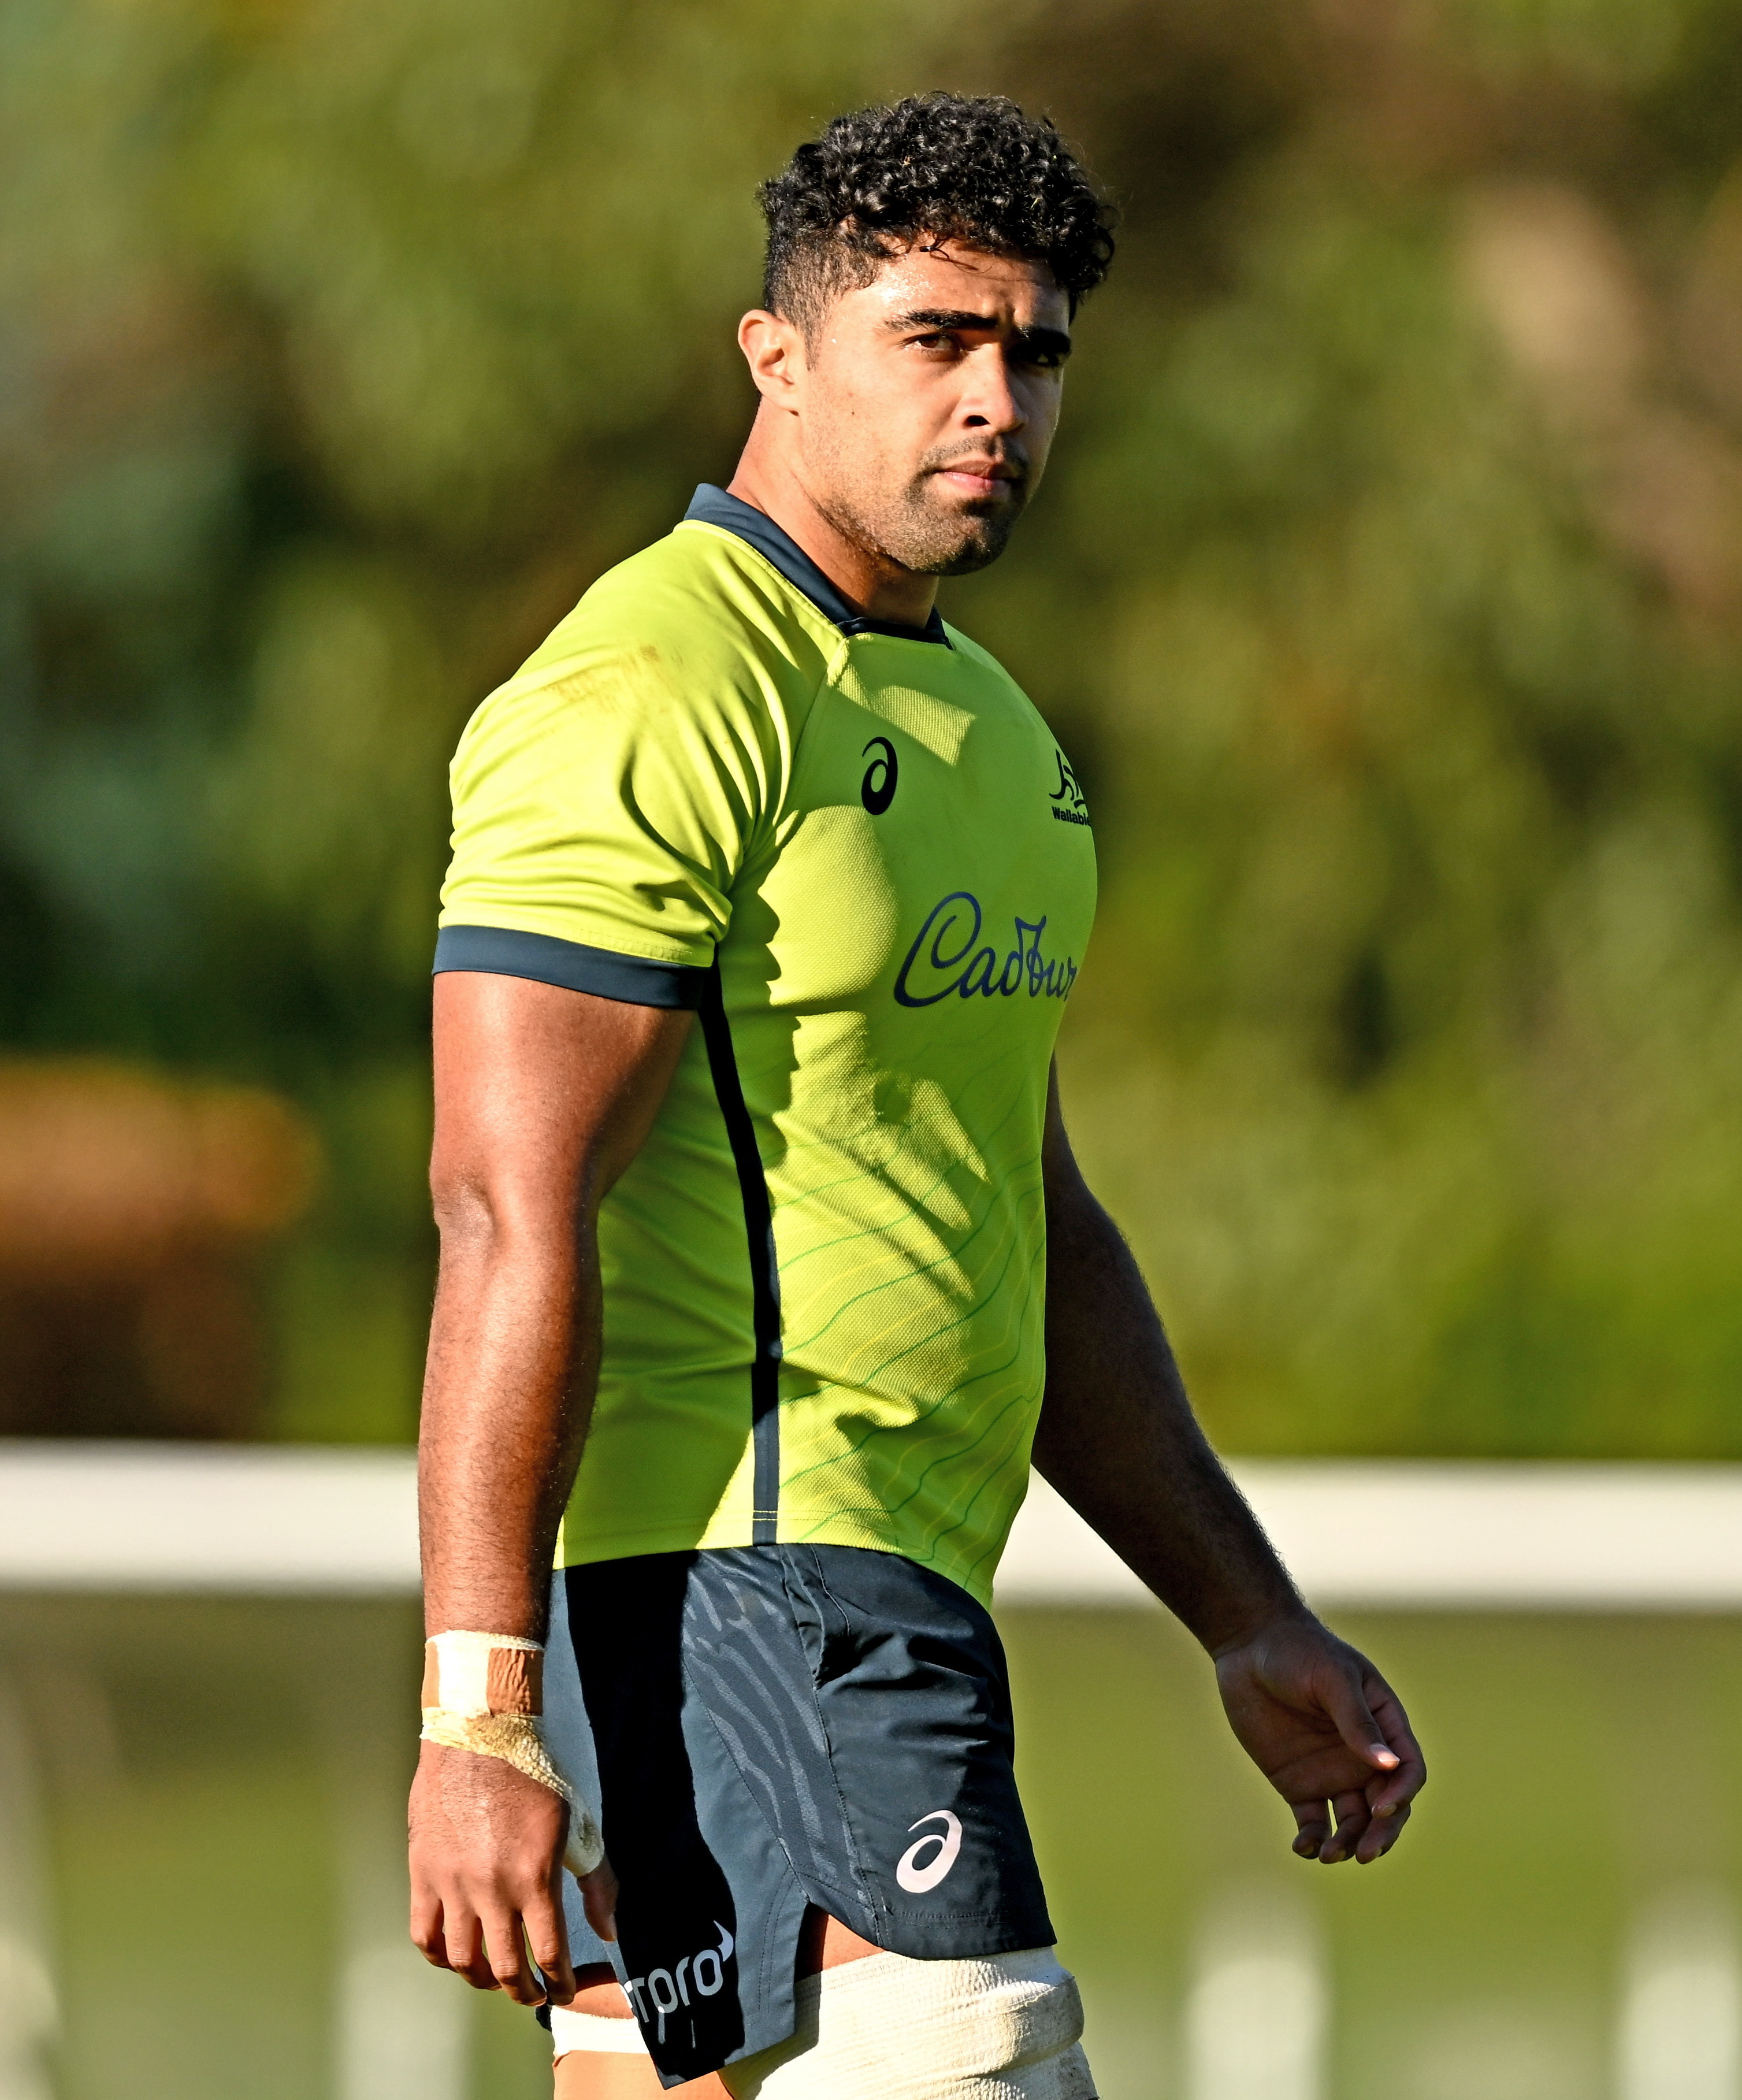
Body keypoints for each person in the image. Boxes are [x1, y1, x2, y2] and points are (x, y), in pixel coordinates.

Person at [403, 93, 1425, 2098]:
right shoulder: (655, 685)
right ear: (777, 356)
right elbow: (505, 1201)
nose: (995, 400)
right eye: (935, 339)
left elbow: (1026, 1219)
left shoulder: (1000, 738)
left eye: (1034, 352)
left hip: (860, 1593)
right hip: (757, 1585)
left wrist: (1244, 1616)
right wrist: (476, 1714)